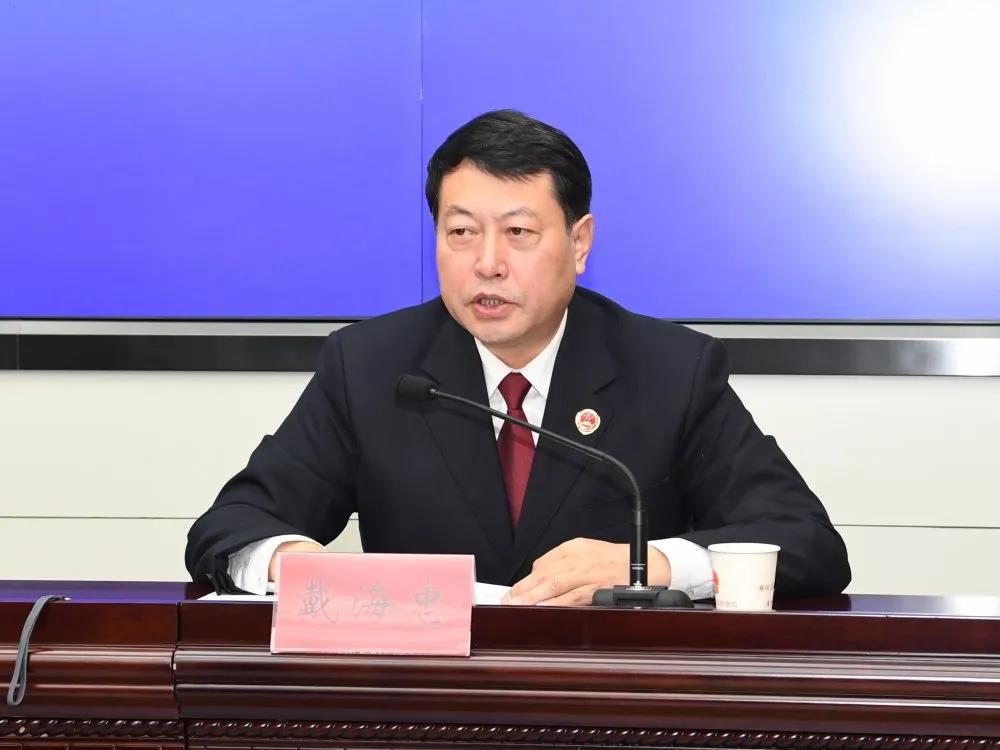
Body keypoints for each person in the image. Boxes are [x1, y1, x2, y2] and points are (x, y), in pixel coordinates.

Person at [186, 109, 851, 605]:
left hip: (611, 705)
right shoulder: (370, 367)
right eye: (461, 232)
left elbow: (807, 542)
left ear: (579, 243)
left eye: (519, 232)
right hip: (424, 707)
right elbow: (230, 528)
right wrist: (297, 565)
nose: (488, 263)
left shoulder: (671, 371)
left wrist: (650, 565)